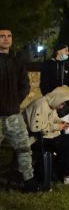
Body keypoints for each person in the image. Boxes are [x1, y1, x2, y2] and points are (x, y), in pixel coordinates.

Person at [0, 28, 43, 192]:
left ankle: (29, 181)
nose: (6, 39)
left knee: (24, 148)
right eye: (2, 36)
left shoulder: (17, 61)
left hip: (13, 115)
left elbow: (25, 86)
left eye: (9, 36)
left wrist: (13, 101)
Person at [23, 86, 69, 185]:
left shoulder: (50, 104)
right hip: (35, 139)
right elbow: (36, 128)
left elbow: (54, 118)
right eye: (62, 103)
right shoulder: (41, 104)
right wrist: (56, 126)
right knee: (67, 144)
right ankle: (67, 175)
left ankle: (67, 169)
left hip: (47, 136)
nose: (62, 106)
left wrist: (62, 122)